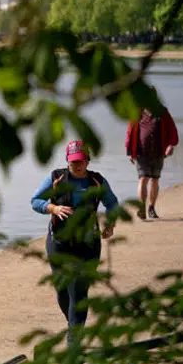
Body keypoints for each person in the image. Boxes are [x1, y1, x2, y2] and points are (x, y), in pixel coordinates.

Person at [30, 140, 119, 328]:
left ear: (88, 161)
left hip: (88, 244)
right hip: (58, 243)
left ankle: (75, 339)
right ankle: (74, 327)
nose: (77, 165)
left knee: (79, 292)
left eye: (81, 161)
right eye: (73, 162)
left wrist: (110, 224)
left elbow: (112, 203)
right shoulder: (56, 178)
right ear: (67, 161)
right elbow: (35, 201)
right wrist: (53, 208)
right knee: (63, 291)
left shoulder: (97, 181)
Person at [126, 106, 178, 219]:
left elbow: (172, 129)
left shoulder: (162, 111)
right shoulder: (137, 112)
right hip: (141, 153)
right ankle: (141, 208)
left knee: (155, 179)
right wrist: (129, 151)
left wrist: (171, 145)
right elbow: (130, 131)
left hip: (159, 152)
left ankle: (151, 208)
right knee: (143, 178)